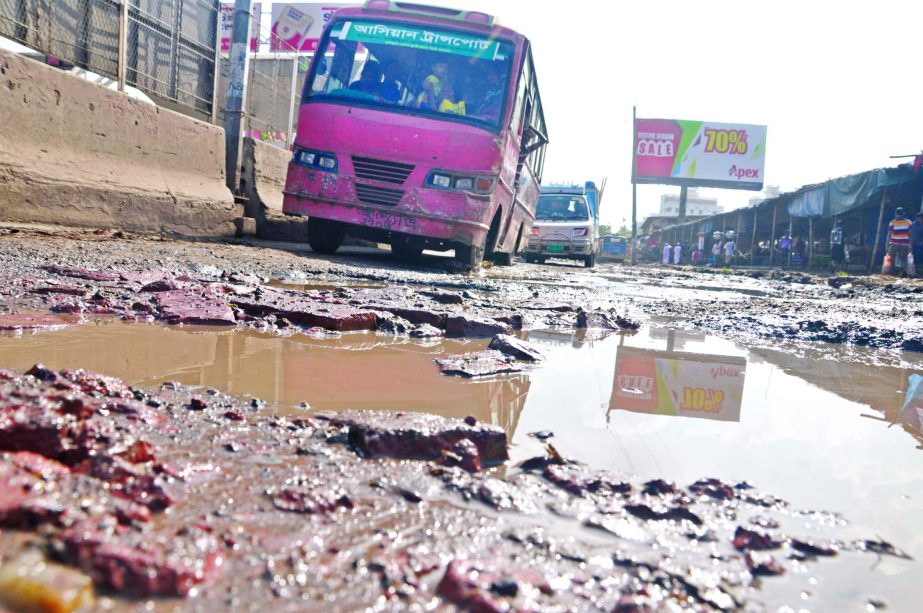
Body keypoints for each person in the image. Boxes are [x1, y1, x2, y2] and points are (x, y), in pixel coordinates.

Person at [886, 207, 912, 275]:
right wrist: (910, 245)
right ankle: (900, 272)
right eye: (898, 214)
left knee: (895, 258)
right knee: (900, 258)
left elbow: (889, 234)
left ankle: (896, 272)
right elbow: (910, 235)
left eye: (899, 214)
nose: (899, 215)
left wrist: (887, 245)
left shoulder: (892, 222)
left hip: (896, 243)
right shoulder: (908, 222)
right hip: (902, 243)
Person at [911, 212, 923, 278]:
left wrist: (922, 242)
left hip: (920, 245)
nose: (921, 220)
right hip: (912, 244)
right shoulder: (912, 225)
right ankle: (913, 272)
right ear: (917, 218)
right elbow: (910, 234)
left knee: (919, 259)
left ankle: (919, 273)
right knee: (913, 258)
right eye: (920, 218)